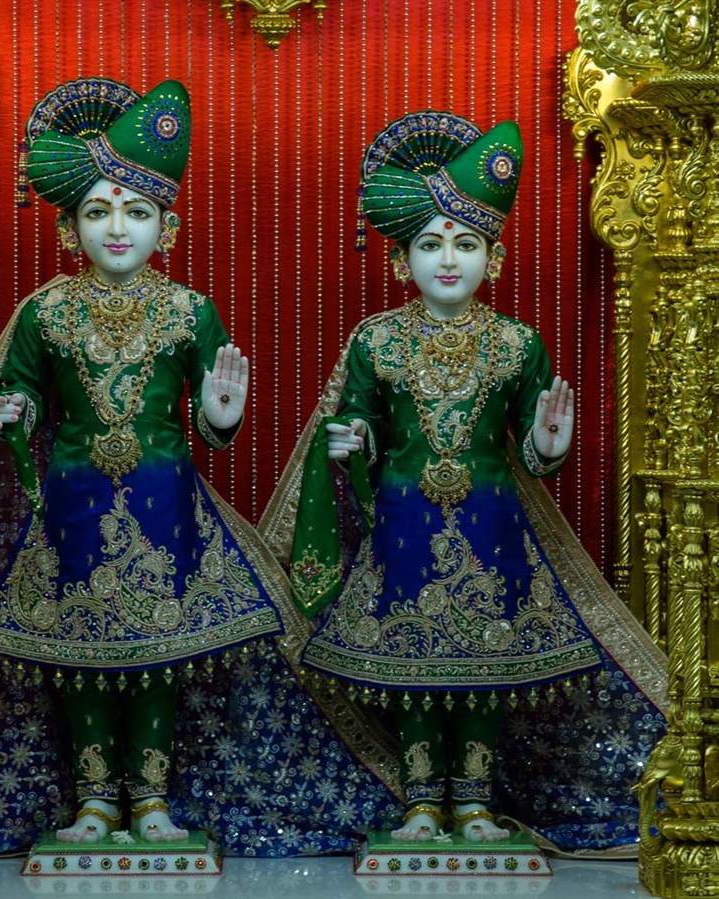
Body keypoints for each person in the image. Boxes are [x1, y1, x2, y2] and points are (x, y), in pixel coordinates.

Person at [0, 76, 285, 844]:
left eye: (137, 211)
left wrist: (220, 417)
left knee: (158, 648)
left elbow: (213, 415)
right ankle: (95, 799)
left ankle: (150, 799)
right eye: (98, 212)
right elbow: (23, 394)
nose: (117, 229)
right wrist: (9, 412)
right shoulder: (47, 311)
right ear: (69, 228)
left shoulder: (190, 310)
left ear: (168, 224)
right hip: (73, 500)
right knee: (81, 646)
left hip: (164, 500)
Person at [286, 111, 604, 844]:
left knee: (482, 658)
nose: (449, 260)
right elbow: (358, 418)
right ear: (403, 260)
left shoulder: (517, 344)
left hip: (491, 521)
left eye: (466, 244)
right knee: (413, 657)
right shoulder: (377, 340)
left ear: (494, 255)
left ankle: (477, 803)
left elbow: (536, 449)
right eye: (430, 245)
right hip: (403, 521)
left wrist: (548, 443)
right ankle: (423, 802)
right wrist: (354, 437)